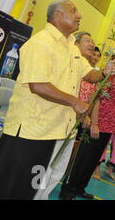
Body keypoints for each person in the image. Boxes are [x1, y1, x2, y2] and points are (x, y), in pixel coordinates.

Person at [0, 0, 115, 200]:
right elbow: (38, 85)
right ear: (58, 16)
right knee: (7, 187)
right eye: (74, 11)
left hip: (52, 131)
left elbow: (88, 74)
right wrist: (75, 102)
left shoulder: (71, 47)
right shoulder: (40, 43)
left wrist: (104, 72)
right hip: (30, 131)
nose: (79, 15)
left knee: (28, 188)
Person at [59, 43, 115, 200]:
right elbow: (97, 98)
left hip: (109, 125)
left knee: (92, 161)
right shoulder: (109, 72)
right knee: (83, 159)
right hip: (97, 123)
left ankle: (80, 187)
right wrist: (94, 124)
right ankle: (68, 190)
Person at [33, 30, 98, 200]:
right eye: (88, 40)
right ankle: (35, 196)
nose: (92, 44)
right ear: (75, 44)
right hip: (53, 121)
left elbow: (92, 78)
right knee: (46, 165)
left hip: (70, 123)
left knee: (59, 168)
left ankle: (43, 196)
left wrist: (106, 71)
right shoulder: (63, 58)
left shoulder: (83, 64)